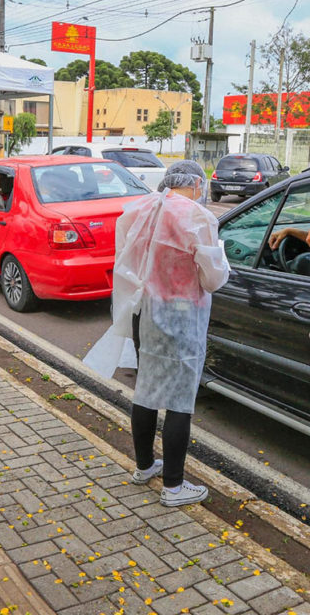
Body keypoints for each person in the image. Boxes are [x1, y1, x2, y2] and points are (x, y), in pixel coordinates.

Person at [84, 160, 230, 507]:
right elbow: (212, 278)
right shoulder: (198, 217)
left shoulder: (139, 209)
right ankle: (174, 487)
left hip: (145, 311)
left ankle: (145, 465)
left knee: (147, 388)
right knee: (180, 398)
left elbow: (127, 260)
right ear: (196, 183)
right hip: (181, 315)